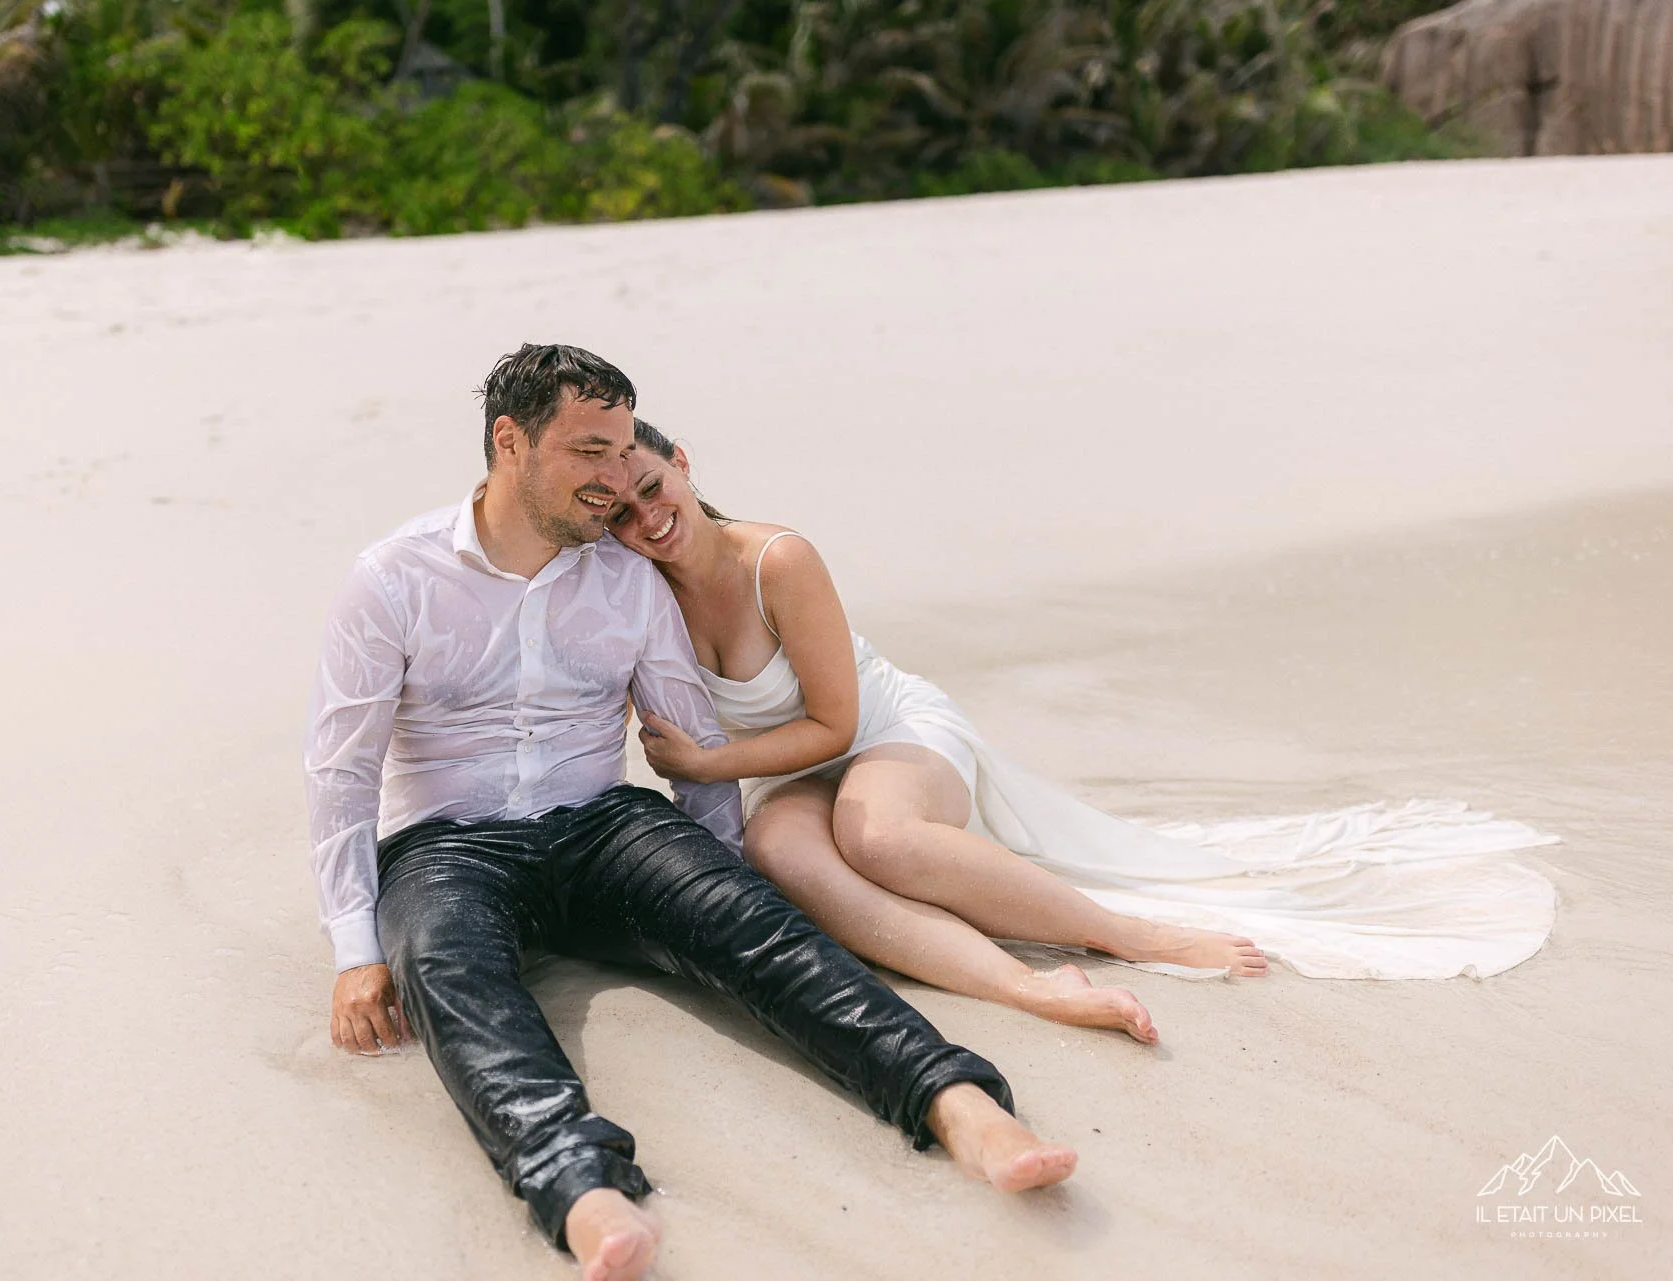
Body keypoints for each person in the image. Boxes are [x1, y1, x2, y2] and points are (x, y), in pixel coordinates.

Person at [304, 345, 1082, 1281]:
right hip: (447, 846)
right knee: (446, 966)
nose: (613, 479)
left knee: (760, 929)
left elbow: (692, 739)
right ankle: (580, 1189)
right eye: (590, 452)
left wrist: (714, 890)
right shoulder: (393, 577)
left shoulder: (629, 578)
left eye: (624, 450)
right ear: (509, 442)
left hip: (606, 826)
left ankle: (956, 1101)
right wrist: (355, 950)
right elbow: (341, 774)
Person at [611, 420, 1562, 995]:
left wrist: (701, 767)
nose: (647, 517)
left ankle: (1126, 931)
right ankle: (1018, 985)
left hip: (889, 734)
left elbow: (836, 725)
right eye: (618, 512)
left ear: (684, 464)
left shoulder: (778, 557)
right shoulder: (642, 598)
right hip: (795, 776)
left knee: (880, 840)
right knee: (781, 852)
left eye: (653, 487)